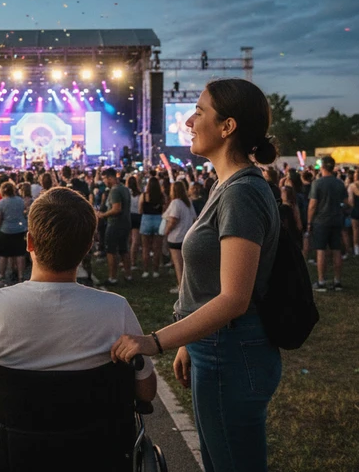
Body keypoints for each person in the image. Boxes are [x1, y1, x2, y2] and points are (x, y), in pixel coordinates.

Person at [111, 78, 281, 472]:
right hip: (218, 345)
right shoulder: (227, 186)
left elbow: (235, 298)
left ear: (227, 127)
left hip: (232, 350)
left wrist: (155, 341)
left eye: (200, 111)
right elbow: (211, 284)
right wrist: (191, 339)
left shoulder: (241, 192)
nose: (189, 120)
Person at [0, 187, 156, 404]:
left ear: (29, 242)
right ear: (88, 246)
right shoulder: (116, 310)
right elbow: (146, 392)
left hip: (4, 438)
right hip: (96, 438)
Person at [308, 156, 349, 291]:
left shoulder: (317, 183)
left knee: (321, 251)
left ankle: (321, 281)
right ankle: (337, 281)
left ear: (323, 167)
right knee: (336, 250)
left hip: (321, 221)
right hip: (336, 219)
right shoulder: (339, 183)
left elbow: (313, 205)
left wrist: (309, 221)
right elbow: (346, 202)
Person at [97, 168, 132, 285]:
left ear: (110, 178)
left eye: (104, 179)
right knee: (124, 250)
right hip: (126, 223)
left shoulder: (115, 191)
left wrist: (103, 215)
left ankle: (112, 277)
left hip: (115, 224)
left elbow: (117, 208)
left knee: (111, 251)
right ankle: (128, 275)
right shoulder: (125, 189)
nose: (104, 181)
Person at [162, 180, 196, 291]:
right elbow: (195, 218)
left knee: (178, 264)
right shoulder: (188, 202)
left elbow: (173, 219)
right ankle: (188, 286)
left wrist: (166, 231)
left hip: (176, 237)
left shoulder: (176, 203)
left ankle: (181, 287)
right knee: (187, 264)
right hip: (187, 235)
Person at [0, 181, 28, 284]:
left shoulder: (1, 203)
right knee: (20, 253)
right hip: (19, 229)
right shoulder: (20, 201)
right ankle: (21, 275)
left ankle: (2, 274)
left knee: (4, 254)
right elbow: (24, 212)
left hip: (6, 230)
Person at [139, 177, 165, 279]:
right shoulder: (161, 196)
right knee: (157, 248)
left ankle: (145, 271)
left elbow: (140, 210)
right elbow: (164, 209)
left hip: (146, 220)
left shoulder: (144, 195)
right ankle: (155, 271)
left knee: (145, 248)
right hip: (158, 220)